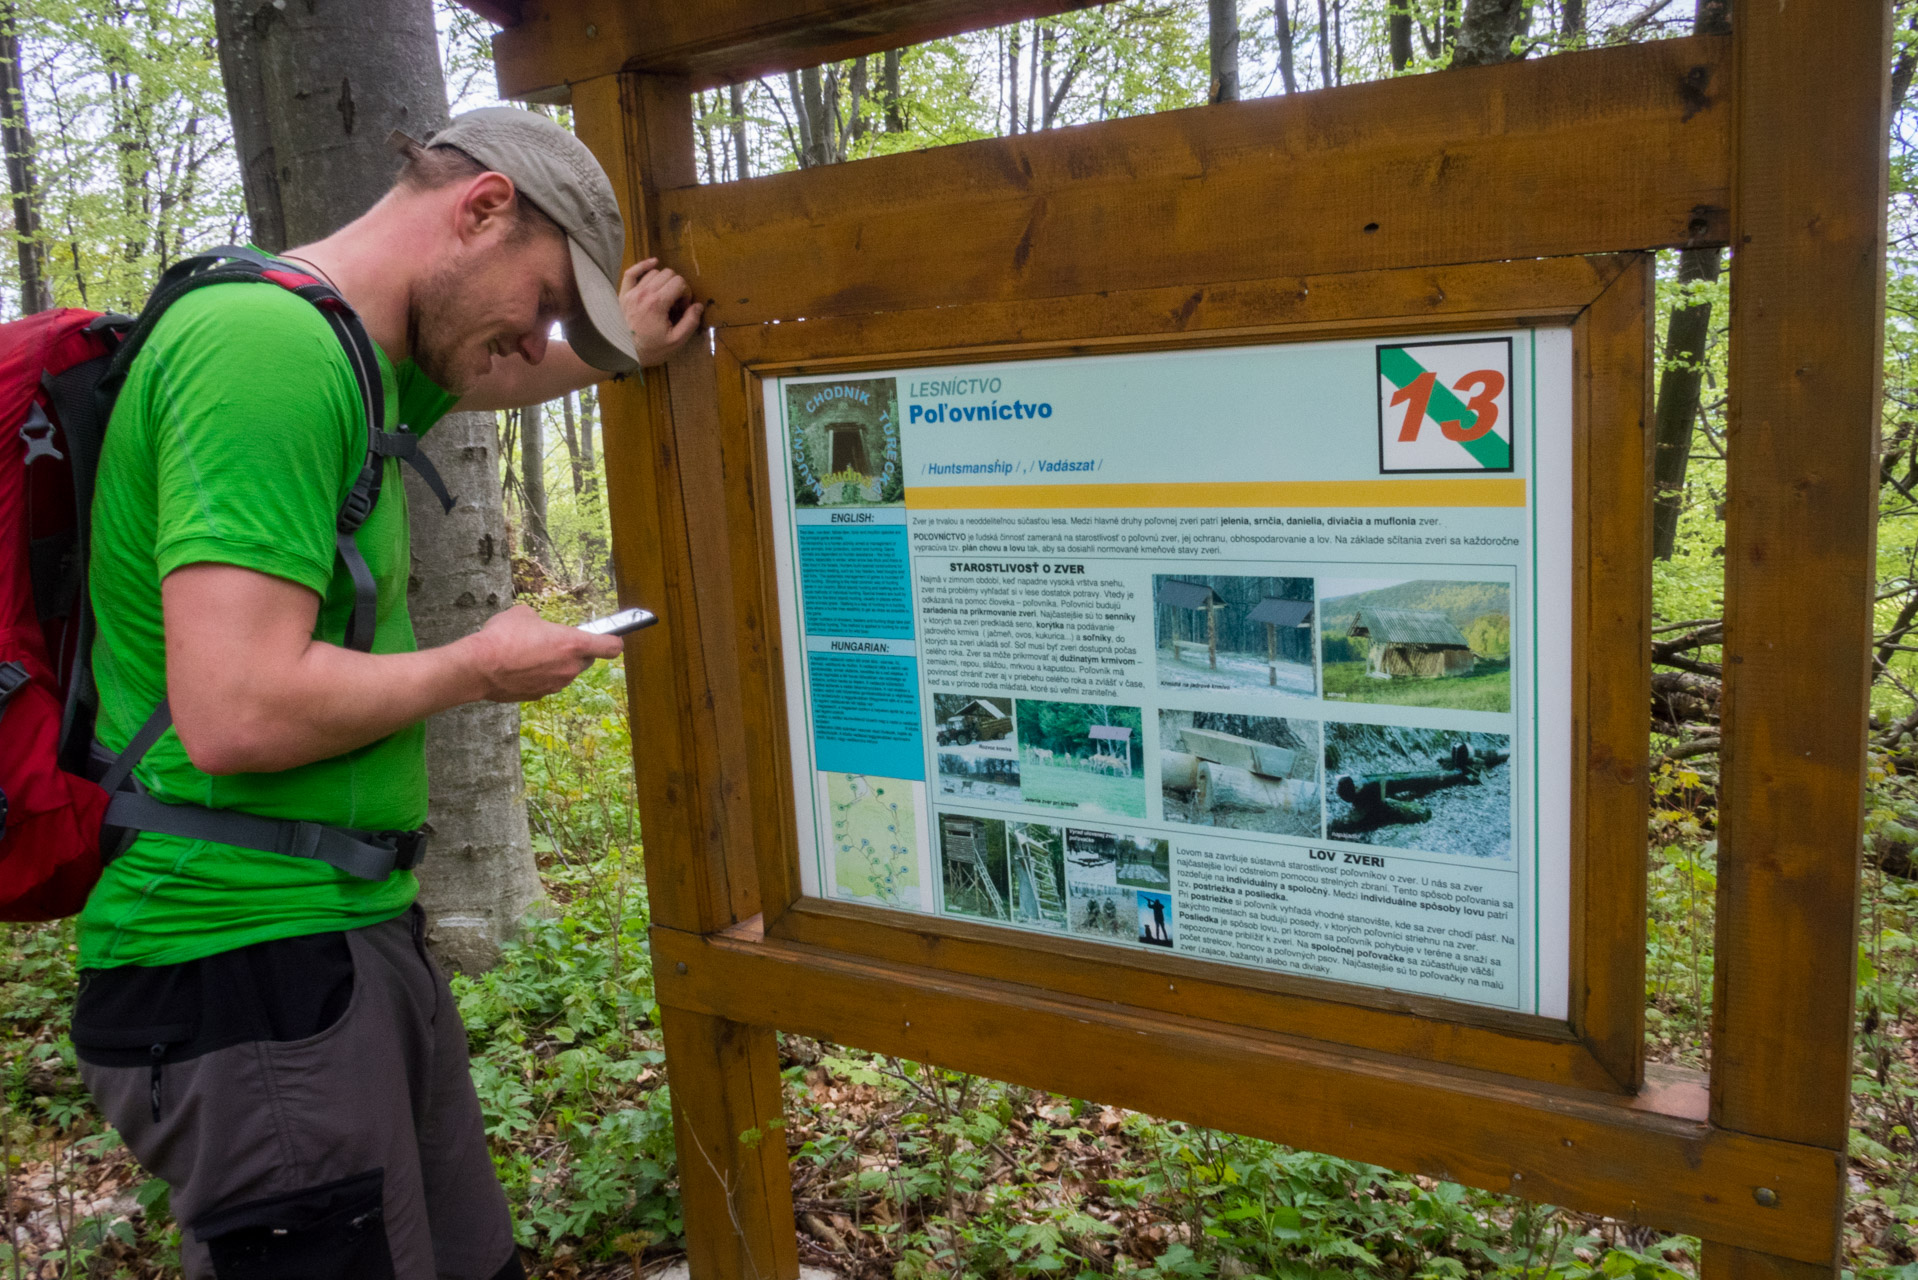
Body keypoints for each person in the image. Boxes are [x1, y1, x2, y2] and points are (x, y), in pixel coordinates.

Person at [68, 108, 703, 1280]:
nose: (536, 333)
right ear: (482, 208)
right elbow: (236, 708)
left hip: (349, 934)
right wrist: (479, 667)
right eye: (547, 296)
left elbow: (496, 371)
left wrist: (627, 350)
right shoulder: (263, 353)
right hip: (243, 959)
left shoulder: (352, 356)